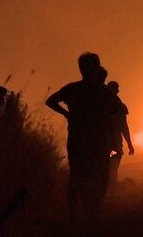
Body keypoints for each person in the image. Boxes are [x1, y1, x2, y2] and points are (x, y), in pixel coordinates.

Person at [46, 53, 113, 222]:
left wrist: (68, 114)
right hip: (98, 140)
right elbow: (116, 108)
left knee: (76, 175)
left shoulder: (71, 89)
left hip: (77, 139)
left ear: (80, 69)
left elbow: (51, 101)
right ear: (97, 69)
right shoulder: (103, 91)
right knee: (99, 175)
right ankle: (93, 213)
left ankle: (73, 216)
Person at [106, 81, 135, 190]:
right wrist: (130, 144)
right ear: (117, 91)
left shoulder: (97, 105)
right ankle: (111, 193)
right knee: (112, 169)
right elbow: (124, 127)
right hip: (114, 145)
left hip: (105, 145)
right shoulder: (121, 107)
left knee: (108, 169)